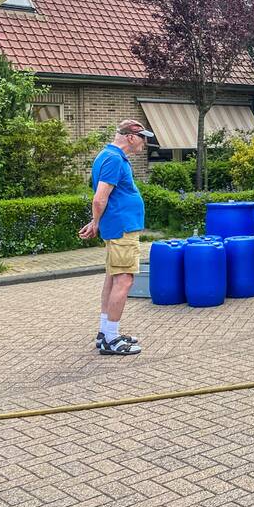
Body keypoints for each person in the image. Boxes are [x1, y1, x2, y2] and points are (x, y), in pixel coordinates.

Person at [79, 119, 154, 356]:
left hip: (119, 226)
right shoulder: (113, 159)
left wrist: (98, 223)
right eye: (143, 137)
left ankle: (105, 333)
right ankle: (111, 339)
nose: (145, 142)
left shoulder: (109, 156)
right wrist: (95, 222)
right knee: (124, 280)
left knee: (113, 278)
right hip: (122, 228)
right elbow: (100, 198)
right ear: (131, 137)